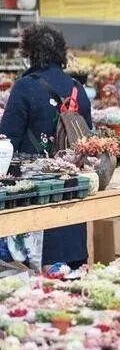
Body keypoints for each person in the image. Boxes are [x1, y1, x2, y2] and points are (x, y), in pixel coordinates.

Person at [0, 24, 92, 269]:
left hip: (36, 200)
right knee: (71, 285)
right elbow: (88, 141)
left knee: (41, 294)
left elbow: (6, 142)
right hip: (73, 202)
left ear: (29, 53)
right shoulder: (77, 89)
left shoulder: (25, 88)